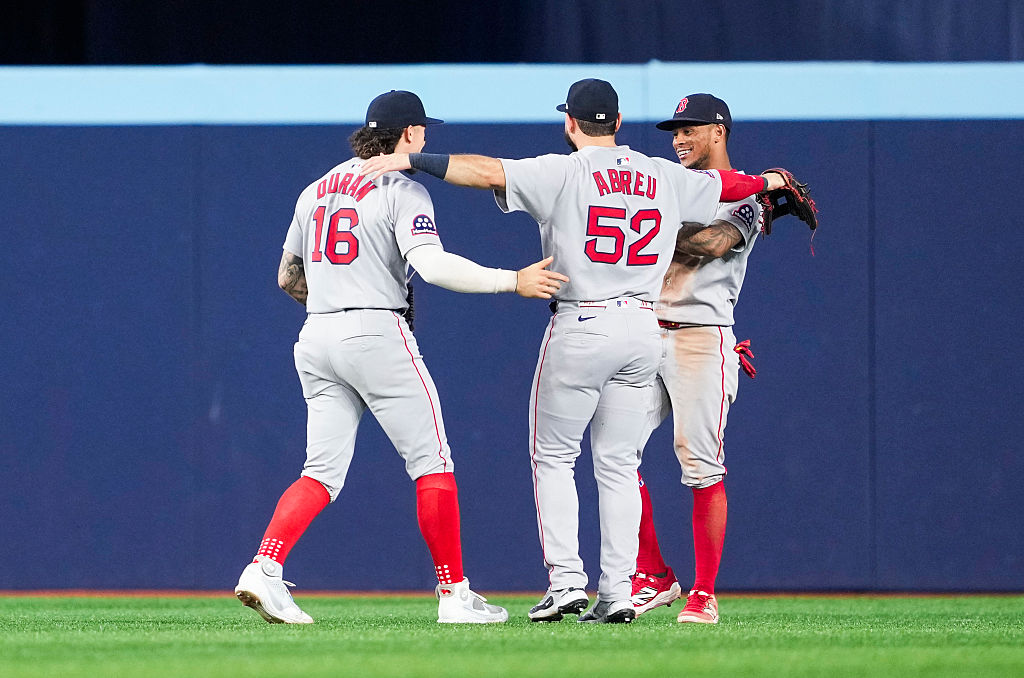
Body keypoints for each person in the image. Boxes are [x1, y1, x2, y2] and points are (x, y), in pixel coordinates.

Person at [362, 79, 788, 624]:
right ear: (616, 122)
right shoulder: (662, 175)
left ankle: (566, 584)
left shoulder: (562, 170)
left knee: (556, 457)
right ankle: (617, 592)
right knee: (619, 462)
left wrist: (417, 159)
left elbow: (488, 171)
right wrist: (770, 180)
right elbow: (727, 186)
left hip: (582, 322)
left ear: (571, 123)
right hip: (642, 329)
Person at [233, 90, 568, 625]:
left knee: (319, 471)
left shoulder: (315, 189)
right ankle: (454, 594)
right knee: (432, 463)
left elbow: (287, 278)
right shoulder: (400, 187)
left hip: (316, 333)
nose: (428, 137)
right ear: (408, 134)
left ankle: (264, 567)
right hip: (374, 330)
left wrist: (335, 304)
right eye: (423, 129)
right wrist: (514, 280)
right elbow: (431, 267)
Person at [629, 94, 764, 624]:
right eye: (675, 132)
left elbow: (709, 244)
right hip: (643, 332)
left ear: (719, 131)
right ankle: (655, 574)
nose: (679, 139)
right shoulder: (670, 188)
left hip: (702, 338)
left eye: (690, 129)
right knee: (614, 454)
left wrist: (650, 228)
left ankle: (703, 592)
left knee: (700, 463)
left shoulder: (748, 197)